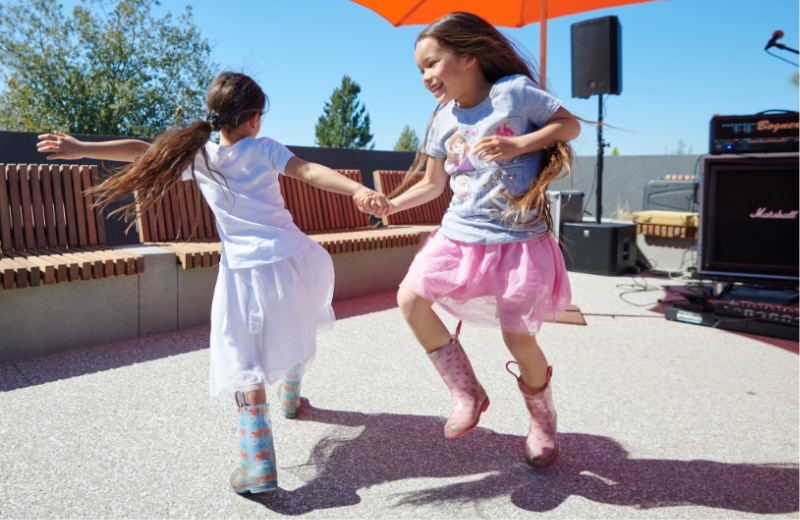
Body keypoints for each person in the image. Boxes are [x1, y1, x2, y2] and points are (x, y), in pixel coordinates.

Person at [37, 71, 388, 493]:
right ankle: (292, 399)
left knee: (241, 358)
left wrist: (81, 147)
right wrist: (357, 190)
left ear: (218, 116)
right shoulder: (262, 148)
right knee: (297, 319)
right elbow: (310, 171)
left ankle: (258, 463)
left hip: (243, 270)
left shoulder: (201, 156)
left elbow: (140, 151)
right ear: (255, 118)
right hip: (294, 258)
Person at [371, 12, 581, 469]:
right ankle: (465, 390)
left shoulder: (514, 95)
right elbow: (431, 184)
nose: (426, 77)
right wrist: (392, 205)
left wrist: (520, 146)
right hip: (459, 235)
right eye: (419, 70)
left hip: (518, 242)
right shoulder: (443, 119)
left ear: (468, 56)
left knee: (519, 341)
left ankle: (543, 421)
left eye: (432, 63)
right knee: (410, 298)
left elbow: (569, 126)